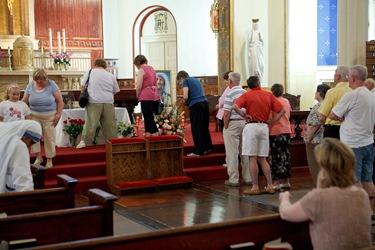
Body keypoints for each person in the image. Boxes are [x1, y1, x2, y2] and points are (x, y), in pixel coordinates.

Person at [279, 138, 372, 250]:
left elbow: (286, 214)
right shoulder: (361, 194)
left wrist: (284, 198)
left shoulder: (319, 197)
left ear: (324, 170)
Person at [329, 65, 375, 212]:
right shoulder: (370, 95)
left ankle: (357, 214)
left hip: (353, 144)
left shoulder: (352, 95)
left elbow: (332, 115)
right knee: (368, 180)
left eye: (348, 76)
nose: (348, 78)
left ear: (353, 78)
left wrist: (342, 116)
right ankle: (369, 212)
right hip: (368, 142)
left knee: (353, 181)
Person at [233, 75, 285, 195]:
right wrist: (273, 120)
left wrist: (243, 115)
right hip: (264, 127)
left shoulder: (247, 95)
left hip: (252, 126)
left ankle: (255, 186)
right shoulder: (268, 95)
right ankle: (270, 186)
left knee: (252, 158)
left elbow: (235, 106)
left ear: (249, 85)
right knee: (262, 158)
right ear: (259, 84)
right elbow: (282, 110)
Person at [22, 68, 63, 168]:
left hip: (49, 116)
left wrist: (58, 114)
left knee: (49, 137)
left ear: (46, 78)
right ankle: (38, 157)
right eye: (37, 79)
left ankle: (49, 159)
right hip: (33, 115)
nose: (39, 81)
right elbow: (24, 100)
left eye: (41, 79)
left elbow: (60, 101)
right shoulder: (31, 85)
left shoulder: (52, 84)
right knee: (34, 136)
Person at [76, 59, 120, 149]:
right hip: (108, 102)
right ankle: (113, 143)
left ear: (95, 64)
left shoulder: (90, 72)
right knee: (109, 125)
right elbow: (116, 90)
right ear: (105, 66)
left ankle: (84, 142)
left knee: (90, 123)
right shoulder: (110, 75)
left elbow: (83, 86)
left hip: (94, 101)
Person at [222, 72, 251, 187]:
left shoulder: (230, 93)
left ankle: (233, 179)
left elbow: (226, 113)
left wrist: (225, 126)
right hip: (244, 123)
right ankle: (247, 177)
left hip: (233, 123)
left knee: (232, 153)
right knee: (245, 151)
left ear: (230, 81)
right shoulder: (245, 93)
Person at [0, 120, 42, 193]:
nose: (30, 146)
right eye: (32, 142)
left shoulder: (3, 132)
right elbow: (23, 182)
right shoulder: (18, 145)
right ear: (25, 136)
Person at [177, 70, 212, 156]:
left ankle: (198, 151)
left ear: (181, 78)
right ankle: (207, 147)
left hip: (196, 105)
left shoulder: (186, 81)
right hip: (205, 103)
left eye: (179, 82)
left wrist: (182, 99)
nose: (181, 84)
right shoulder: (196, 80)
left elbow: (186, 95)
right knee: (204, 127)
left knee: (196, 128)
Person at [304, 84, 331, 186]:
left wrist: (307, 139)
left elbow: (314, 125)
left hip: (315, 140)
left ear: (321, 93)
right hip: (325, 138)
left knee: (315, 165)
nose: (315, 93)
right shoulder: (328, 104)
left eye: (316, 91)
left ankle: (319, 187)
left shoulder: (319, 106)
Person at [318, 65, 351, 139]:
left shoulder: (332, 92)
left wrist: (324, 125)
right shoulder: (353, 90)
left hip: (333, 130)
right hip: (350, 130)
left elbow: (322, 116)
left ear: (338, 76)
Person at [269, 83, 292, 190]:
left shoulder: (273, 101)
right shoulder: (286, 101)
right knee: (286, 156)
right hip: (286, 130)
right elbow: (289, 114)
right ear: (282, 91)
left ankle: (276, 182)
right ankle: (286, 181)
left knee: (276, 157)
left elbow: (270, 117)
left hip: (275, 130)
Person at [133, 55, 159, 137]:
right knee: (149, 116)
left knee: (148, 117)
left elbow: (139, 85)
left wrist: (137, 95)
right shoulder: (152, 68)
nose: (136, 67)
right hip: (154, 95)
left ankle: (155, 134)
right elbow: (155, 83)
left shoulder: (141, 70)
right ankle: (148, 134)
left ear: (137, 63)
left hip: (146, 95)